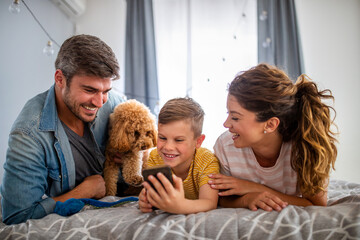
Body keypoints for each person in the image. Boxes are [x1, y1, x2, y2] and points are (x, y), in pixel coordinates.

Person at [1, 34, 125, 224]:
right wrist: (84, 192)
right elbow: (18, 217)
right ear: (60, 79)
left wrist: (136, 154)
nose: (100, 102)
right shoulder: (28, 134)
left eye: (106, 91)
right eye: (90, 90)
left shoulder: (114, 105)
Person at [208, 63, 338, 211]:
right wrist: (246, 199)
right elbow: (220, 198)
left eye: (235, 118)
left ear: (270, 125)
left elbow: (317, 205)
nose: (226, 124)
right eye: (228, 114)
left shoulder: (305, 146)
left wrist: (255, 189)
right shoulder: (225, 146)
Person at [138, 97, 220, 214]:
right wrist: (145, 201)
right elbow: (153, 195)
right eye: (162, 138)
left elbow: (209, 202)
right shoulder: (155, 157)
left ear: (198, 141)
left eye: (179, 140)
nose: (168, 147)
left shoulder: (207, 160)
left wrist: (180, 206)